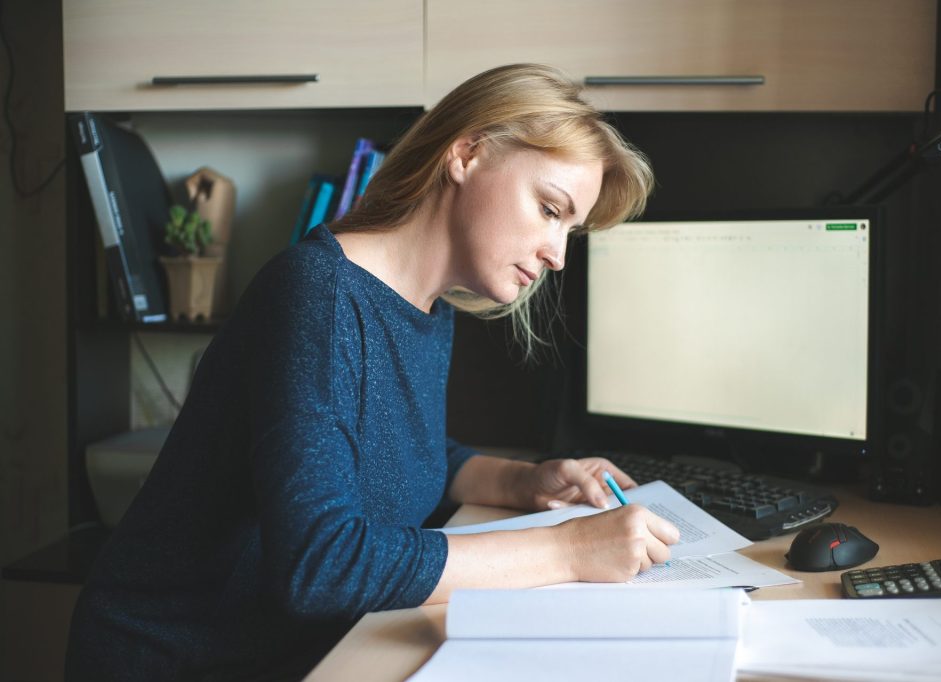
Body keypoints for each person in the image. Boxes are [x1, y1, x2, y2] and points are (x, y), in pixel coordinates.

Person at [65, 63, 678, 682]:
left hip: (303, 653)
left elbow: (395, 454)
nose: (558, 254)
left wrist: (530, 482)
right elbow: (322, 565)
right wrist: (569, 549)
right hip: (179, 660)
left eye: (570, 228)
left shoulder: (428, 308)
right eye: (550, 208)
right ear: (466, 153)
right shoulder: (318, 293)